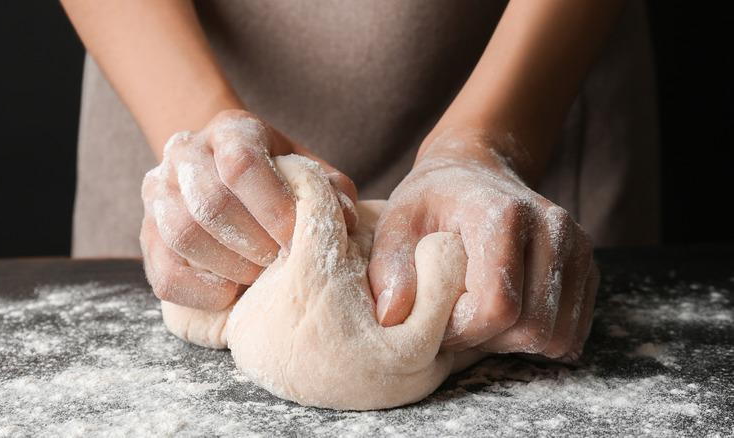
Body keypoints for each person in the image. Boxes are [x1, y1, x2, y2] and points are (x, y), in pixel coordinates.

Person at [62, 0, 659, 360]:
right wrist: (201, 144)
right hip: (165, 61)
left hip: (525, 67)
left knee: (519, 306)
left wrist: (491, 140)